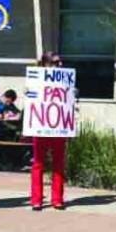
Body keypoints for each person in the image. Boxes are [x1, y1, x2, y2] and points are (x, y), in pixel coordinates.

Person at [30, 51, 68, 211]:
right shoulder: (35, 80)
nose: (60, 65)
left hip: (59, 127)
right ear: (46, 64)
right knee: (38, 164)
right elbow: (30, 97)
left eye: (60, 62)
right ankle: (36, 199)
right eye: (55, 62)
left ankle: (57, 199)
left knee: (59, 163)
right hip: (41, 126)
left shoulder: (66, 80)